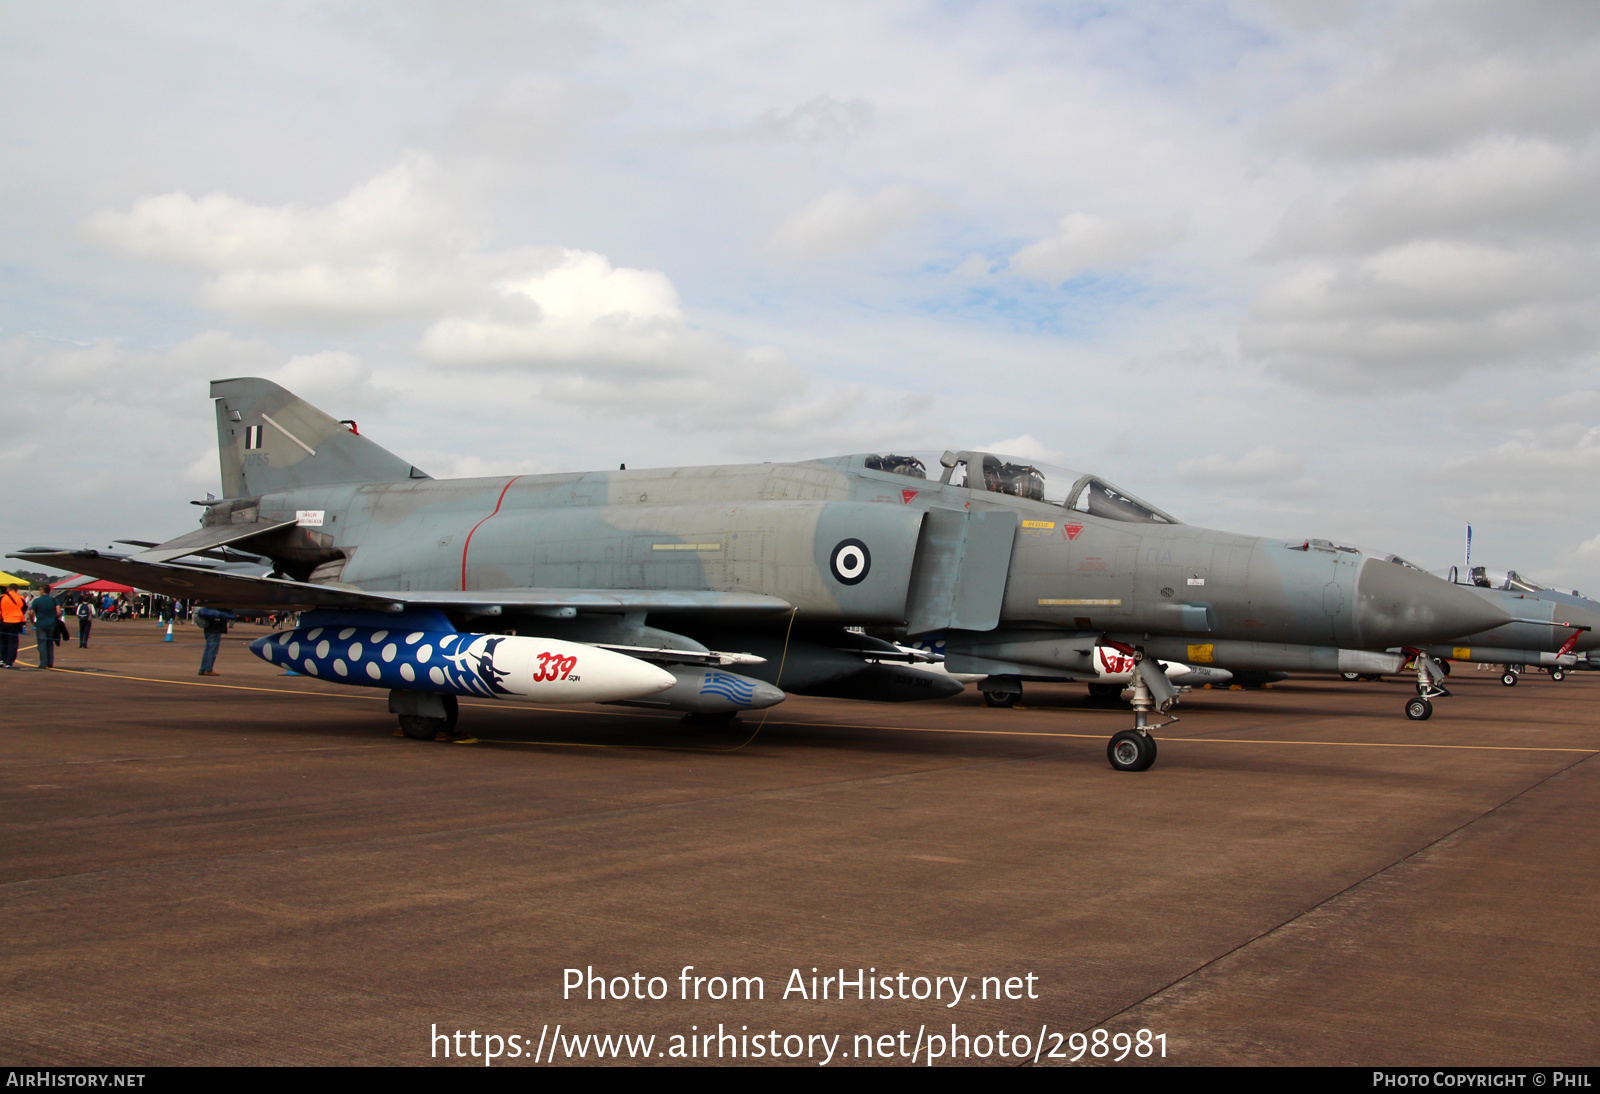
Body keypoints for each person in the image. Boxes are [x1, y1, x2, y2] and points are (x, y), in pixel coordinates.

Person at [195, 606, 238, 676]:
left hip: (208, 629)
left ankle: (202, 669)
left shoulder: (209, 610)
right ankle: (208, 669)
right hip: (215, 630)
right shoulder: (218, 609)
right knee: (212, 650)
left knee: (207, 649)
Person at [27, 588, 62, 669]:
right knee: (50, 643)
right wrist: (55, 618)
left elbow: (31, 613)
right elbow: (59, 612)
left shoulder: (36, 601)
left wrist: (33, 621)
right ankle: (50, 662)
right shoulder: (54, 600)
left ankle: (43, 663)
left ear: (42, 591)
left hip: (41, 624)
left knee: (42, 644)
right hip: (51, 624)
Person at [0, 584, 25, 668]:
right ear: (17, 590)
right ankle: (9, 662)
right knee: (13, 642)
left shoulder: (2, 597)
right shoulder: (20, 598)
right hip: (15, 622)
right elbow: (24, 609)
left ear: (8, 589)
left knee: (3, 641)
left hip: (4, 621)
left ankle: (2, 659)